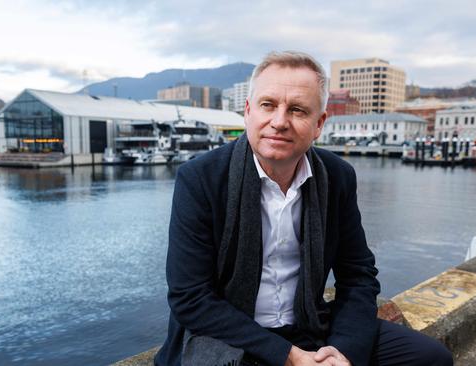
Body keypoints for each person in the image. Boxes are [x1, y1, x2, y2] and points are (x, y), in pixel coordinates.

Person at [155, 51, 452, 366]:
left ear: (319, 123)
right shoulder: (201, 178)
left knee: (431, 358)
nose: (279, 121)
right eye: (268, 105)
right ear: (248, 111)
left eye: (297, 110)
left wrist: (344, 351)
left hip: (309, 327)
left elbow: (358, 275)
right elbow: (190, 298)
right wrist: (290, 357)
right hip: (231, 336)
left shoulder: (337, 177)